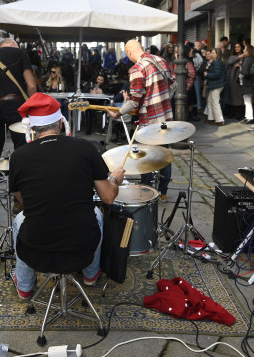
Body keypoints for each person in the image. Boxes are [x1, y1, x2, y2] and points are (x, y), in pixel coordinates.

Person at [9, 93, 125, 298]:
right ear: (61, 124)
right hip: (81, 245)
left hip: (37, 247)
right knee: (97, 215)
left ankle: (25, 288)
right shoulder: (85, 148)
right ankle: (90, 275)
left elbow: (21, 199)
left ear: (33, 129)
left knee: (20, 219)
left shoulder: (18, 156)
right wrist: (115, 179)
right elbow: (107, 198)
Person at [107, 39, 174, 200]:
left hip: (149, 121)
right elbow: (174, 85)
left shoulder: (137, 69)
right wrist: (162, 100)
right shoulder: (161, 60)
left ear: (129, 52)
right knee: (164, 154)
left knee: (147, 157)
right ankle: (163, 193)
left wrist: (118, 113)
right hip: (166, 118)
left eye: (127, 54)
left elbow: (135, 101)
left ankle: (147, 193)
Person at [0, 37, 37, 162]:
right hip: (16, 105)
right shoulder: (21, 53)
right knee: (21, 146)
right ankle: (20, 179)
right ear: (12, 43)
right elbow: (31, 85)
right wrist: (32, 104)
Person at [203, 48, 227, 125]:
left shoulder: (217, 62)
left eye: (213, 53)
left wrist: (207, 74)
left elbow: (217, 74)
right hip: (215, 84)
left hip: (217, 84)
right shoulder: (216, 62)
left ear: (217, 54)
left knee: (215, 102)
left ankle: (219, 120)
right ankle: (210, 117)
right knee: (210, 101)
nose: (211, 54)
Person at [224, 42, 245, 120]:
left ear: (241, 48)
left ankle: (239, 115)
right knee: (231, 96)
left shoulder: (244, 56)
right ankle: (231, 113)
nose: (237, 48)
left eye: (238, 47)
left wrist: (241, 64)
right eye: (235, 47)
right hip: (230, 79)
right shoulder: (233, 56)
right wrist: (240, 56)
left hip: (239, 79)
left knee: (238, 97)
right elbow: (229, 62)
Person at [239, 45, 254, 123]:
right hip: (250, 82)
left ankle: (249, 117)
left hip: (247, 82)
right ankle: (248, 116)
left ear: (248, 51)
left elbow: (245, 71)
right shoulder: (252, 59)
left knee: (248, 101)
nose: (243, 51)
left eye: (245, 50)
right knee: (248, 101)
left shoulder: (248, 59)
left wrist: (240, 71)